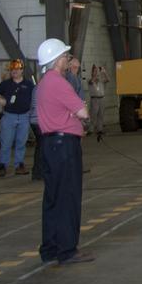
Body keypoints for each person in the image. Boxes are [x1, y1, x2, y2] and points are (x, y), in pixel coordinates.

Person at [34, 38, 93, 265]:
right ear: (58, 60)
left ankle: (50, 248)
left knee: (53, 198)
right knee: (68, 196)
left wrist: (70, 115)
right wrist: (74, 115)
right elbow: (83, 112)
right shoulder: (59, 83)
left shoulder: (44, 82)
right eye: (66, 57)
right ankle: (67, 249)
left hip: (50, 144)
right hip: (64, 146)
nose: (68, 60)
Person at [0, 60, 33, 176]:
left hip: (24, 116)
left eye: (17, 69)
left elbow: (35, 97)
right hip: (9, 116)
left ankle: (19, 165)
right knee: (6, 142)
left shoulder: (29, 84)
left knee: (21, 142)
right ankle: (3, 165)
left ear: (22, 71)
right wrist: (0, 100)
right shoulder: (6, 84)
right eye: (12, 70)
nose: (14, 71)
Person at [86, 65, 109, 141]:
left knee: (101, 115)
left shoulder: (100, 80)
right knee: (93, 115)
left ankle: (100, 129)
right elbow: (92, 81)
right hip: (94, 99)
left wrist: (104, 72)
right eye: (95, 71)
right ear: (92, 72)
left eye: (97, 71)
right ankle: (90, 130)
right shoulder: (90, 80)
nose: (96, 72)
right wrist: (95, 74)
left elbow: (107, 80)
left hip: (101, 98)